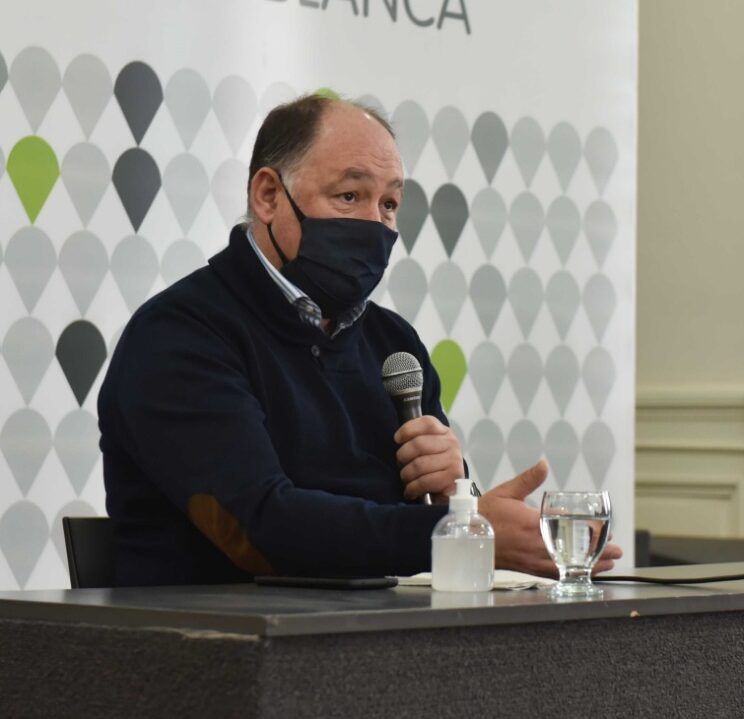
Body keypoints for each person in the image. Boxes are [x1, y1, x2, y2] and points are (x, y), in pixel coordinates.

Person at [98, 95, 621, 585]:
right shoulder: (179, 335)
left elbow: (409, 533)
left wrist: (453, 495)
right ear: (268, 195)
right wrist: (454, 535)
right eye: (349, 196)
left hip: (378, 636)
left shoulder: (392, 344)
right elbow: (261, 529)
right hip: (210, 641)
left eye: (389, 204)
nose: (375, 224)